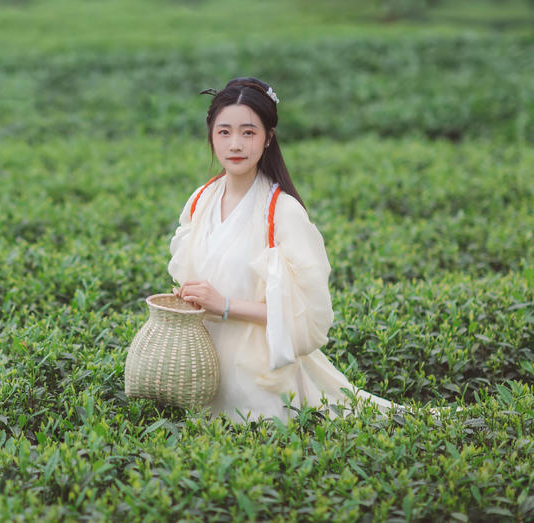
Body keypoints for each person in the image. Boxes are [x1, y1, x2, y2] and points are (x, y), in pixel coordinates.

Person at [168, 77, 395, 422]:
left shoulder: (282, 211)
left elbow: (306, 316)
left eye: (248, 132)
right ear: (211, 135)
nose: (235, 145)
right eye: (224, 132)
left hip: (258, 377)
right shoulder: (201, 200)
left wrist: (225, 306)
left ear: (268, 138)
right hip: (199, 371)